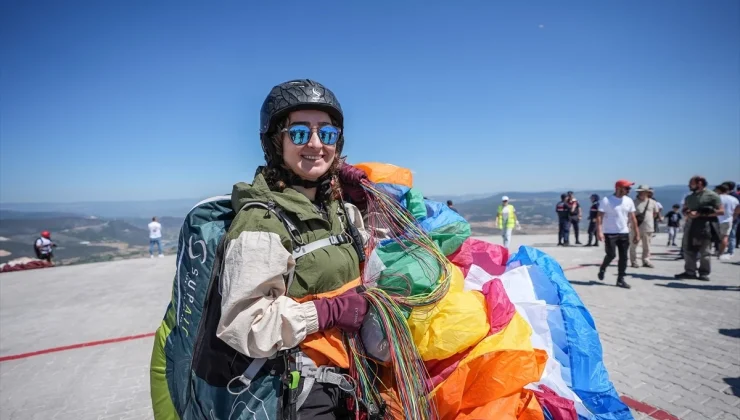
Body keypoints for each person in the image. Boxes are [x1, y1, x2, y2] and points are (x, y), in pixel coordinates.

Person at [212, 79, 371, 418]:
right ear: (276, 142)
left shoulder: (340, 210)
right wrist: (328, 312)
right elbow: (246, 325)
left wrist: (374, 204)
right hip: (306, 393)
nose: (315, 143)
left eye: (326, 134)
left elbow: (373, 263)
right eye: (300, 133)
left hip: (357, 379)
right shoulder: (261, 222)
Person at [674, 175, 724, 281]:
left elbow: (721, 211)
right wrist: (688, 213)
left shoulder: (712, 195)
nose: (689, 185)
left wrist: (701, 214)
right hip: (691, 224)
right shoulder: (689, 197)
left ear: (699, 183)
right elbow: (685, 209)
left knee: (704, 250)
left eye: (691, 183)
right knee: (688, 249)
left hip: (706, 225)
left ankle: (704, 273)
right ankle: (690, 271)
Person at [596, 180, 640, 289]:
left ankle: (620, 279)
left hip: (624, 232)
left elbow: (633, 218)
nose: (629, 190)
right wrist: (599, 231)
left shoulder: (629, 201)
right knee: (611, 255)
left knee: (624, 257)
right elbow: (599, 216)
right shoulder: (607, 201)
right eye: (627, 188)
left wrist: (636, 233)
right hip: (610, 232)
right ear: (619, 188)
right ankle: (603, 268)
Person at [629, 185, 659, 268]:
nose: (641, 193)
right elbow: (630, 215)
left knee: (647, 246)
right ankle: (634, 261)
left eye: (643, 191)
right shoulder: (633, 202)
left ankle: (646, 260)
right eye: (639, 191)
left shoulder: (652, 202)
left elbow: (655, 213)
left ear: (647, 192)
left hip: (648, 228)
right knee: (633, 245)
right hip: (635, 228)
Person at [715, 184, 739, 261]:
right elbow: (738, 209)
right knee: (725, 237)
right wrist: (734, 216)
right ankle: (720, 253)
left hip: (716, 219)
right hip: (728, 219)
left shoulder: (717, 198)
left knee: (713, 237)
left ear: (719, 190)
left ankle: (715, 250)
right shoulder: (733, 199)